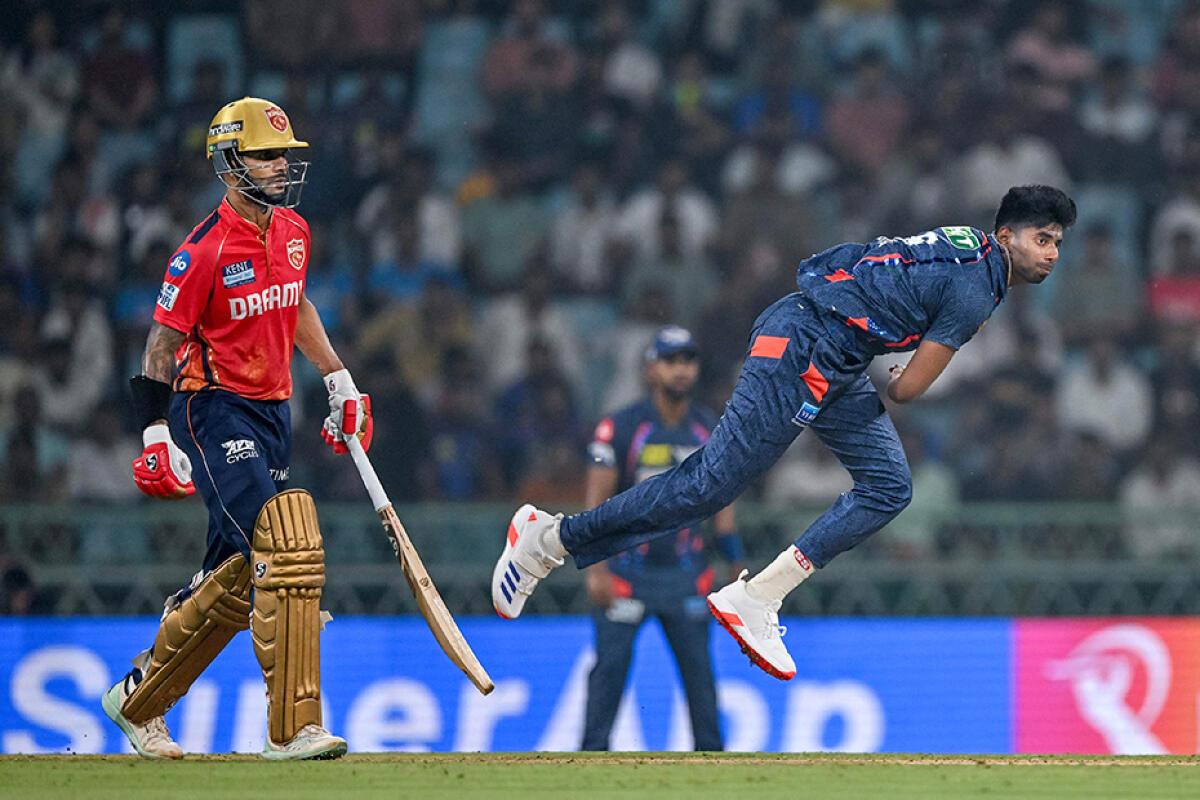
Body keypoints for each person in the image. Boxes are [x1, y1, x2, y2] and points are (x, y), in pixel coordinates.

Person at [492, 185, 1076, 681]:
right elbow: (906, 391)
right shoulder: (978, 288)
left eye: (1056, 243)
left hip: (834, 348)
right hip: (804, 346)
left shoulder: (966, 246)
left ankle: (759, 595)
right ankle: (549, 539)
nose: (1051, 254)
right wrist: (907, 373)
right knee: (710, 485)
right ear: (1006, 237)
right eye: (1042, 239)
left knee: (889, 485)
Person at [103, 97, 372, 760]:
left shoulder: (294, 233)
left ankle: (138, 697)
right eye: (265, 154)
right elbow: (160, 348)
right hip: (212, 406)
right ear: (229, 164)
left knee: (231, 574)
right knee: (284, 549)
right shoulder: (202, 251)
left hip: (275, 408)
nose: (281, 166)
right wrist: (155, 435)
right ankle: (293, 728)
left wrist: (337, 377)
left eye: (285, 154)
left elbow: (294, 302)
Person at [580, 326, 740, 752]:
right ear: (652, 369)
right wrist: (595, 570)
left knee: (701, 680)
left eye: (688, 361)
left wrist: (734, 564)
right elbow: (596, 506)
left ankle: (715, 769)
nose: (681, 370)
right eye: (671, 361)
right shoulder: (621, 427)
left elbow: (722, 503)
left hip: (687, 575)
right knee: (609, 673)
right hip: (626, 574)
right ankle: (586, 765)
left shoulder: (710, 429)